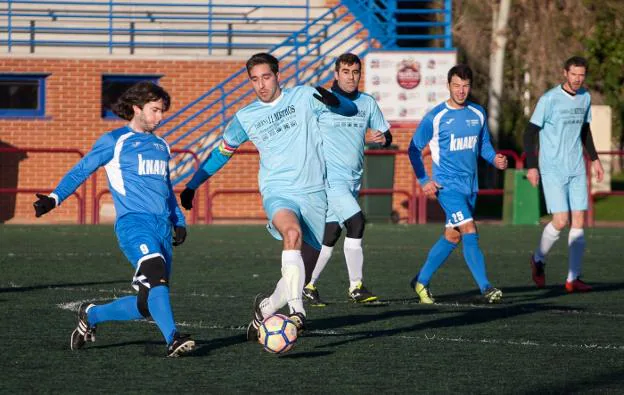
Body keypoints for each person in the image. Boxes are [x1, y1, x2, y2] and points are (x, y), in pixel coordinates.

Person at [178, 52, 357, 340]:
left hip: (314, 194)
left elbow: (349, 111)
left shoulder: (305, 96)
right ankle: (298, 312)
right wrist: (193, 184)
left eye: (266, 77)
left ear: (277, 75)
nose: (261, 85)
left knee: (299, 276)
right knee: (291, 233)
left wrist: (337, 101)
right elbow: (222, 153)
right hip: (278, 190)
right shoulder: (245, 117)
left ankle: (266, 308)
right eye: (254, 79)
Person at [33, 81, 195, 357]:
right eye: (155, 110)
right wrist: (54, 198)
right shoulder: (114, 141)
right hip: (133, 224)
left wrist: (178, 220)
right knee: (154, 274)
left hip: (161, 227)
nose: (160, 117)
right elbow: (80, 170)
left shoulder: (161, 144)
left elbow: (165, 187)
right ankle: (173, 339)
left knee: (147, 303)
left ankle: (92, 315)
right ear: (136, 108)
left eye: (162, 111)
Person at [407, 64, 508, 304]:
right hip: (447, 187)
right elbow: (413, 149)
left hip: (470, 187)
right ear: (448, 86)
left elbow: (483, 145)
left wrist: (495, 158)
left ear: (470, 87)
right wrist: (424, 180)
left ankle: (421, 281)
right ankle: (486, 287)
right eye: (456, 86)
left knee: (452, 236)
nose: (461, 91)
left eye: (465, 86)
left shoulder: (478, 113)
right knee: (470, 230)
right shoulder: (436, 116)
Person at [302, 53, 392, 307]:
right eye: (345, 72)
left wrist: (382, 139)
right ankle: (356, 286)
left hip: (353, 180)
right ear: (336, 74)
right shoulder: (321, 102)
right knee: (357, 222)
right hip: (330, 178)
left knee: (331, 233)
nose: (350, 77)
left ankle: (307, 285)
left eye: (355, 72)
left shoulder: (367, 102)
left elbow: (386, 135)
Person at [523, 56, 604, 292]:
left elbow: (585, 131)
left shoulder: (585, 97)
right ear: (564, 73)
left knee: (579, 221)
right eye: (574, 74)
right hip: (552, 168)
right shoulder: (549, 100)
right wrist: (531, 165)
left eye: (582, 75)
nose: (578, 79)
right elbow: (529, 134)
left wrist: (595, 160)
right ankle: (538, 259)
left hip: (577, 167)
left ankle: (572, 279)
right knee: (561, 221)